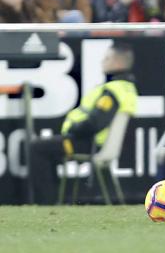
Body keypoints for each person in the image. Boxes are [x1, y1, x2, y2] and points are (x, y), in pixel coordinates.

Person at [29, 43, 137, 204]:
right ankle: (53, 199)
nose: (103, 62)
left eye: (107, 58)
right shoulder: (126, 88)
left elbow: (95, 122)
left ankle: (47, 202)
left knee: (37, 148)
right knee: (46, 148)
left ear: (118, 63)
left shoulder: (112, 91)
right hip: (94, 143)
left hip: (86, 143)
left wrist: (74, 129)